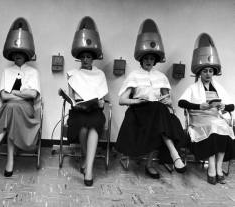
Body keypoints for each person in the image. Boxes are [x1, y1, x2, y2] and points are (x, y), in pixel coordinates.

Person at [116, 19, 186, 179]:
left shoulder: (161, 77)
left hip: (157, 112)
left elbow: (167, 99)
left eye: (152, 59)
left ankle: (152, 163)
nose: (149, 61)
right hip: (139, 112)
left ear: (155, 60)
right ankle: (174, 156)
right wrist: (137, 101)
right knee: (159, 113)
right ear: (141, 59)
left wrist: (168, 101)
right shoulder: (134, 75)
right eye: (146, 58)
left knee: (160, 111)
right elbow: (122, 100)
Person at [0, 18, 40, 177]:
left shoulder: (33, 72)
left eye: (21, 53)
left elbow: (33, 94)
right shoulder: (7, 72)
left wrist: (14, 93)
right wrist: (20, 94)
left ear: (26, 54)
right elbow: (3, 95)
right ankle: (9, 160)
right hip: (11, 109)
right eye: (15, 53)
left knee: (11, 106)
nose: (18, 56)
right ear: (12, 54)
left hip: (27, 109)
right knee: (11, 108)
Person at [178, 33, 235, 185]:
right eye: (205, 71)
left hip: (215, 117)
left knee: (222, 127)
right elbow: (181, 103)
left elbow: (232, 106)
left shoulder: (219, 88)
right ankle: (211, 167)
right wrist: (199, 106)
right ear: (199, 73)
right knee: (213, 127)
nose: (208, 74)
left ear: (213, 72)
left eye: (210, 71)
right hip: (199, 119)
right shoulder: (192, 88)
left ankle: (217, 167)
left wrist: (223, 106)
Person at [66, 16, 108, 187]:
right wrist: (73, 102)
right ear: (79, 58)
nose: (85, 59)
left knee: (94, 125)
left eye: (88, 57)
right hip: (78, 110)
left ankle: (88, 168)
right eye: (83, 56)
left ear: (93, 58)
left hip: (95, 110)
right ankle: (85, 158)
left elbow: (103, 99)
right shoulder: (72, 74)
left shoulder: (100, 74)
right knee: (82, 127)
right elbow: (70, 97)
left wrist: (100, 103)